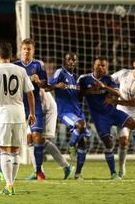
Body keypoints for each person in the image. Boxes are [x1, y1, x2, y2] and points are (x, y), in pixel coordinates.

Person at [78, 57, 135, 179]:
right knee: (108, 144)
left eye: (103, 66)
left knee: (133, 123)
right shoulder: (84, 79)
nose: (101, 68)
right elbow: (78, 95)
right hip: (99, 117)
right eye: (98, 65)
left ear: (106, 68)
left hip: (112, 112)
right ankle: (113, 173)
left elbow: (118, 94)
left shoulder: (108, 79)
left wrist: (104, 87)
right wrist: (90, 90)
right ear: (93, 66)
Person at [15, 38, 72, 181]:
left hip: (46, 107)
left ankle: (47, 170)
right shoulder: (15, 66)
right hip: (24, 107)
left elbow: (45, 86)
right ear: (20, 50)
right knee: (31, 140)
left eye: (29, 49)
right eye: (24, 48)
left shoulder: (38, 65)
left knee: (39, 139)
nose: (27, 51)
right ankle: (40, 171)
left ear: (33, 50)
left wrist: (39, 81)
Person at [0, 42, 35, 195]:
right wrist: (32, 113)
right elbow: (30, 93)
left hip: (3, 115)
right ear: (12, 55)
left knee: (4, 150)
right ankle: (11, 184)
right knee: (15, 151)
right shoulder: (21, 70)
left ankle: (9, 185)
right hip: (19, 115)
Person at [46, 52, 91, 180]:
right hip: (65, 113)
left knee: (82, 143)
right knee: (80, 126)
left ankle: (78, 174)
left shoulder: (76, 78)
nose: (71, 61)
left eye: (74, 60)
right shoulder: (60, 72)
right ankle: (71, 146)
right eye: (69, 59)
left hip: (77, 113)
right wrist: (56, 85)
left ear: (76, 62)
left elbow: (79, 96)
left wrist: (88, 91)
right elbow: (47, 87)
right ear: (65, 61)